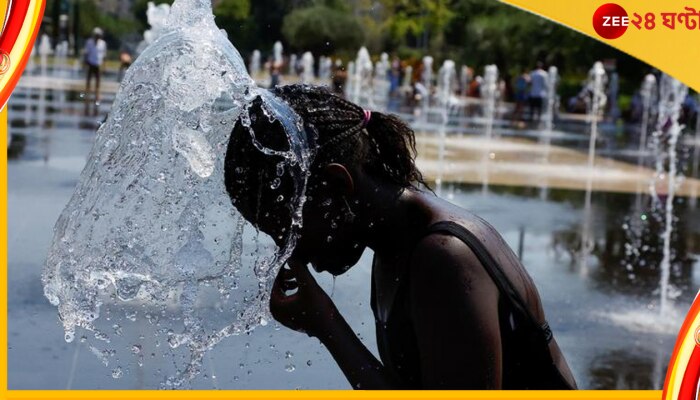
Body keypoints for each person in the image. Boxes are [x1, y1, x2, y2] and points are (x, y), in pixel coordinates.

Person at [224, 84, 577, 390]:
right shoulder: (397, 241)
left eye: (289, 229)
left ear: (336, 185)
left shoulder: (444, 257)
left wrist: (328, 326)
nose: (287, 250)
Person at [84, 27, 107, 116]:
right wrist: (85, 62)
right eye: (95, 35)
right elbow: (86, 53)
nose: (97, 37)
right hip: (91, 63)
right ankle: (87, 94)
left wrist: (104, 66)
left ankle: (97, 95)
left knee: (98, 81)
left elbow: (104, 55)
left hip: (98, 64)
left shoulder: (103, 43)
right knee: (88, 80)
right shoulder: (89, 42)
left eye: (98, 35)